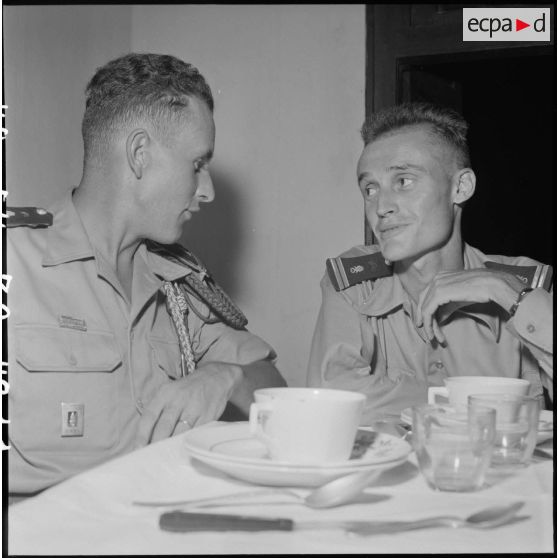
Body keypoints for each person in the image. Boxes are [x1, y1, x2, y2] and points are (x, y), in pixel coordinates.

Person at [7, 53, 286, 496]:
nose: (207, 190)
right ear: (139, 155)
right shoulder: (13, 263)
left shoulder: (178, 279)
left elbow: (274, 391)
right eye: (197, 164)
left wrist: (224, 376)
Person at [307, 102, 553, 423]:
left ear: (460, 188)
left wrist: (510, 295)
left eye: (404, 181)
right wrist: (473, 407)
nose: (381, 207)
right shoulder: (354, 282)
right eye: (370, 188)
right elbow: (330, 396)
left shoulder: (522, 285)